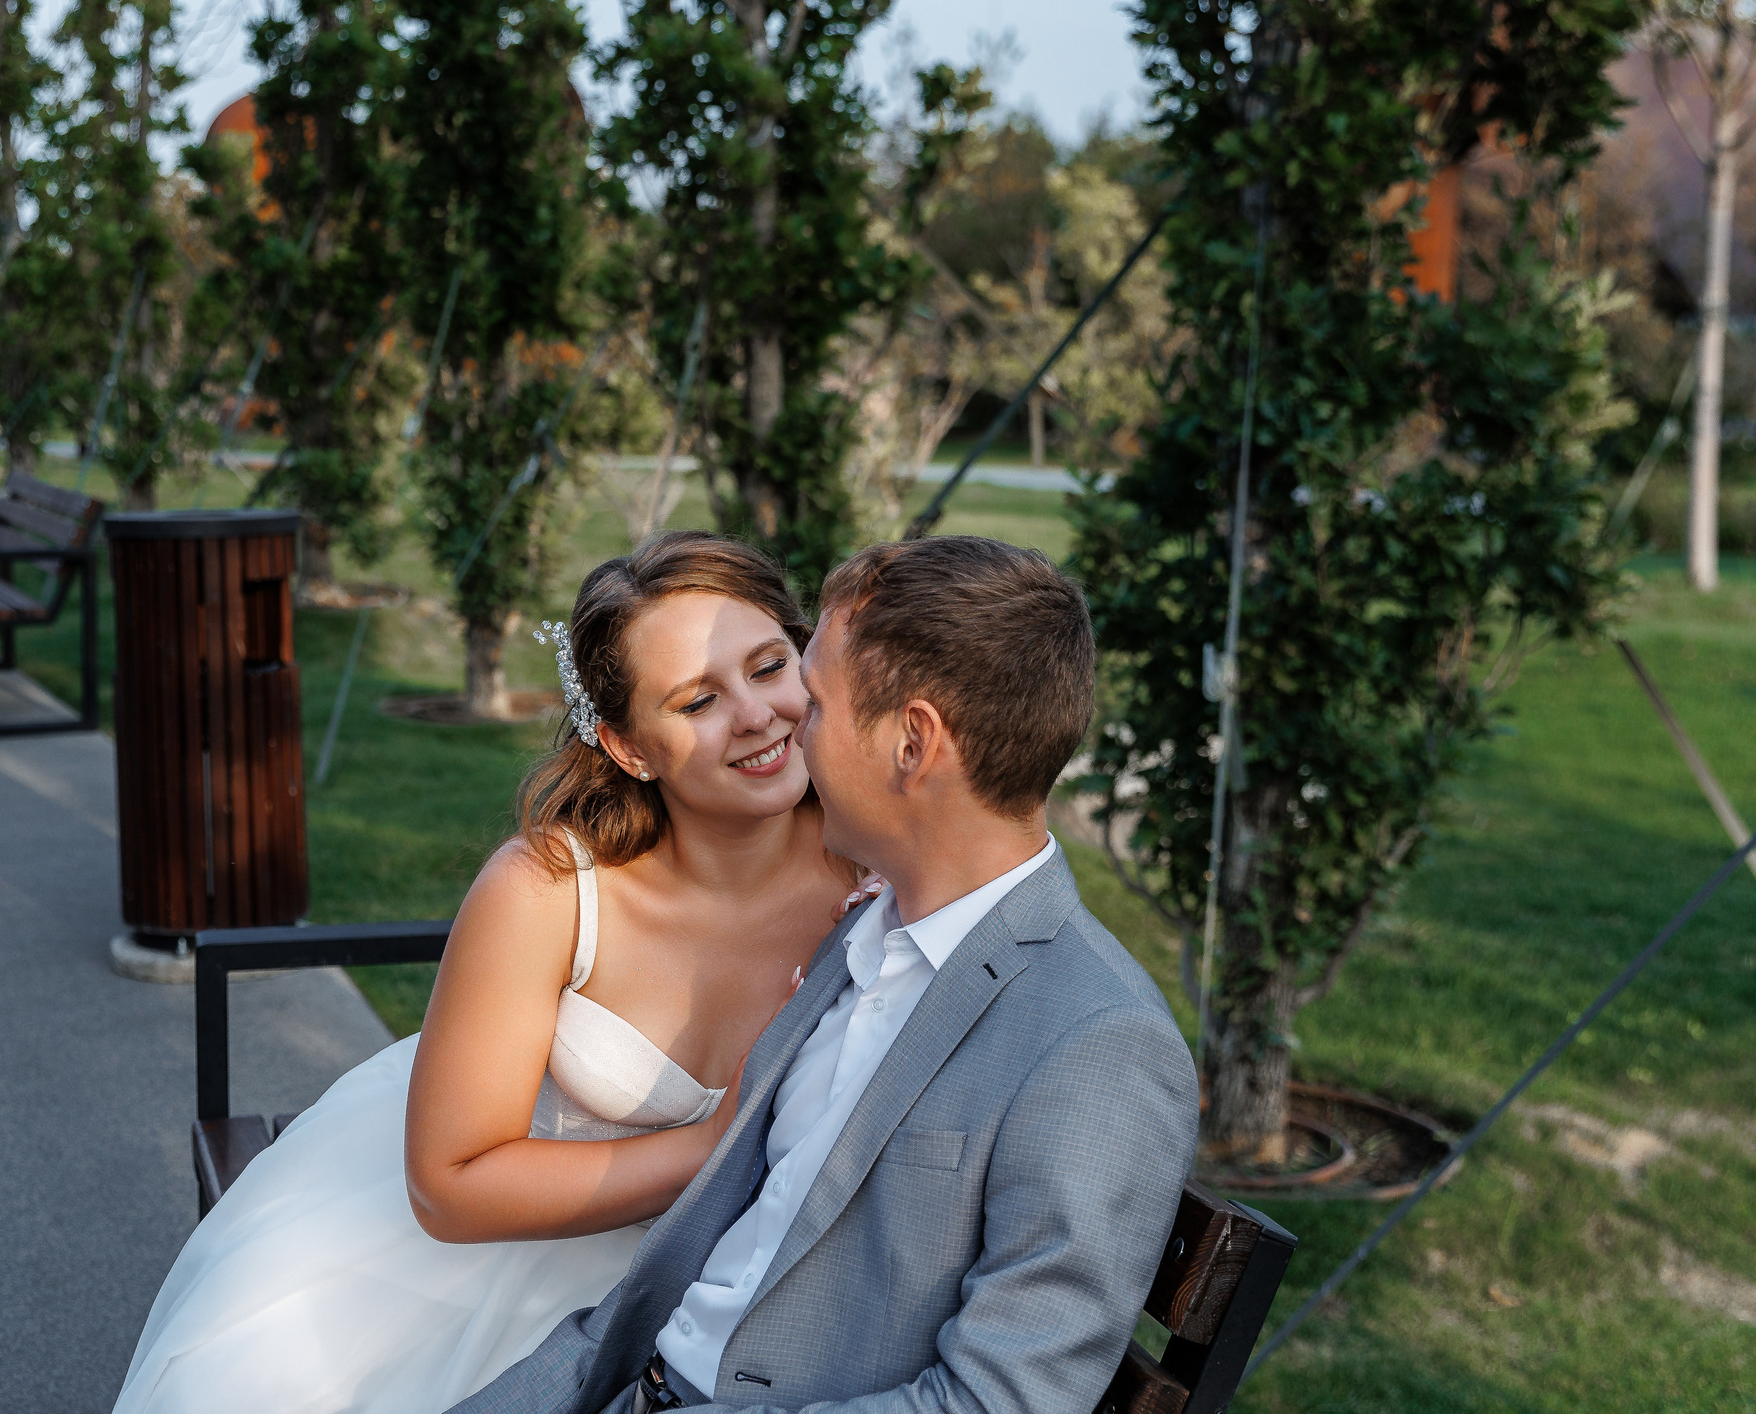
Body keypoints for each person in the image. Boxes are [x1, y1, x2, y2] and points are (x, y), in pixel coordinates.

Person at [112, 532, 862, 1414]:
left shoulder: (877, 862)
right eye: (698, 699)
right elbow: (451, 1185)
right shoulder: (547, 890)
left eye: (769, 665)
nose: (757, 714)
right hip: (506, 1256)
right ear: (628, 748)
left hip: (754, 1281)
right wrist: (707, 1147)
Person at [449, 534, 1198, 1414]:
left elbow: (1002, 1403)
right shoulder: (865, 928)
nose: (782, 723)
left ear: (914, 743)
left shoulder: (1098, 1043)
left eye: (814, 701)